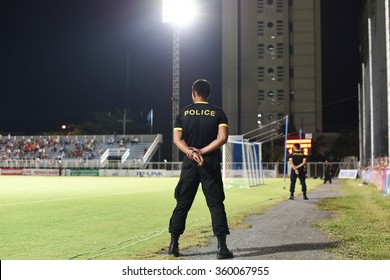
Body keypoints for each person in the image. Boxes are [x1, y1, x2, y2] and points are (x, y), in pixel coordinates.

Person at [168, 79, 233, 259]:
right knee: (215, 203)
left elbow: (177, 139)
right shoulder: (218, 113)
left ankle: (173, 244)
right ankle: (222, 248)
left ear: (193, 93)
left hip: (190, 164)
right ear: (208, 94)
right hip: (210, 163)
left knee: (182, 203)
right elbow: (222, 138)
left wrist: (191, 152)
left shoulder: (183, 113)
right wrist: (202, 152)